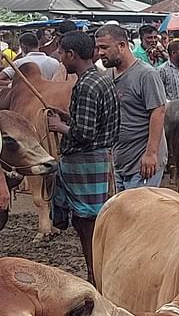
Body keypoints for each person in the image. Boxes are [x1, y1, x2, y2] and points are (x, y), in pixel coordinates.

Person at [47, 30, 119, 285]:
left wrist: (60, 127)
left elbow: (85, 133)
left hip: (86, 165)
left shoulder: (86, 84)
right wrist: (67, 117)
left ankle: (94, 275)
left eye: (61, 52)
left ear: (72, 54)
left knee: (87, 224)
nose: (58, 56)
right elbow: (96, 125)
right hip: (101, 160)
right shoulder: (102, 79)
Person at [95, 25, 167, 191]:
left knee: (139, 213)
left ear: (121, 46)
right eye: (98, 48)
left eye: (104, 47)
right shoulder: (108, 75)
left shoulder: (146, 74)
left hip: (142, 162)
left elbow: (158, 112)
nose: (100, 53)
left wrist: (151, 153)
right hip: (121, 161)